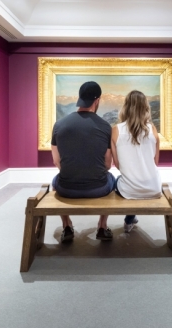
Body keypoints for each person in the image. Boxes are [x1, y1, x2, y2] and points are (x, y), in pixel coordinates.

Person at [51, 81, 115, 242]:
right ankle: (102, 225)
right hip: (98, 189)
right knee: (112, 179)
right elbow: (108, 165)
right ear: (97, 100)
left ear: (79, 99)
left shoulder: (58, 125)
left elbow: (57, 162)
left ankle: (66, 226)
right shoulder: (106, 127)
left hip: (66, 189)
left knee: (54, 181)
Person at [111, 90, 161, 233]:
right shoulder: (153, 129)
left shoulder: (116, 130)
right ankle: (129, 219)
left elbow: (118, 165)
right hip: (154, 188)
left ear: (125, 107)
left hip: (127, 190)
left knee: (120, 179)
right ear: (146, 107)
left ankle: (129, 219)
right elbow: (155, 162)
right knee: (135, 179)